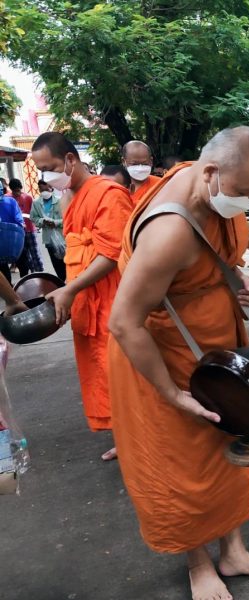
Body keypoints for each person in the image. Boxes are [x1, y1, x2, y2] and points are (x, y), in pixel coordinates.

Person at [107, 126, 249, 600]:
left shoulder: (208, 186)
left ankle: (233, 551)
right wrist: (171, 393)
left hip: (215, 348)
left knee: (230, 445)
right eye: (245, 192)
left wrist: (241, 283)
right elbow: (125, 322)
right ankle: (198, 563)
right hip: (160, 357)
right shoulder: (168, 231)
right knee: (180, 464)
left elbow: (211, 265)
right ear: (210, 173)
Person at [31, 131, 134, 462]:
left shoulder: (108, 193)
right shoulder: (72, 196)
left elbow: (111, 252)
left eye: (49, 168)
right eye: (40, 170)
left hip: (113, 299)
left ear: (71, 160)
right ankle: (126, 437)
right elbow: (75, 245)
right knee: (102, 373)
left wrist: (71, 288)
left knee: (124, 373)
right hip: (86, 299)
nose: (45, 177)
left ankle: (142, 439)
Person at [30, 180, 67, 281]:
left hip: (63, 238)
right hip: (49, 240)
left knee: (68, 262)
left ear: (51, 187)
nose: (43, 191)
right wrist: (42, 221)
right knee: (57, 264)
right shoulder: (36, 203)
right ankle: (62, 282)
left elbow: (68, 218)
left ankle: (71, 282)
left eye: (45, 188)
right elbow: (33, 217)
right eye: (41, 189)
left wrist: (55, 222)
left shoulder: (60, 201)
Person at [9, 178, 44, 277]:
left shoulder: (28, 197)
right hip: (18, 233)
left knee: (35, 253)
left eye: (19, 190)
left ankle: (41, 274)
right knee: (24, 256)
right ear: (11, 190)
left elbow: (34, 213)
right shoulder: (9, 199)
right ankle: (32, 276)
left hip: (30, 229)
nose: (18, 193)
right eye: (15, 191)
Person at [121, 140, 160, 204]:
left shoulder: (160, 184)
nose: (140, 168)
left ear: (151, 161)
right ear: (123, 161)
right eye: (134, 164)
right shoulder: (117, 185)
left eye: (145, 164)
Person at [0, 187, 24, 283]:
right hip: (15, 237)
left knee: (3, 267)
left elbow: (19, 218)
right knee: (20, 261)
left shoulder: (10, 201)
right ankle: (23, 284)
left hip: (10, 236)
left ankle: (11, 286)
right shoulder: (10, 201)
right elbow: (19, 218)